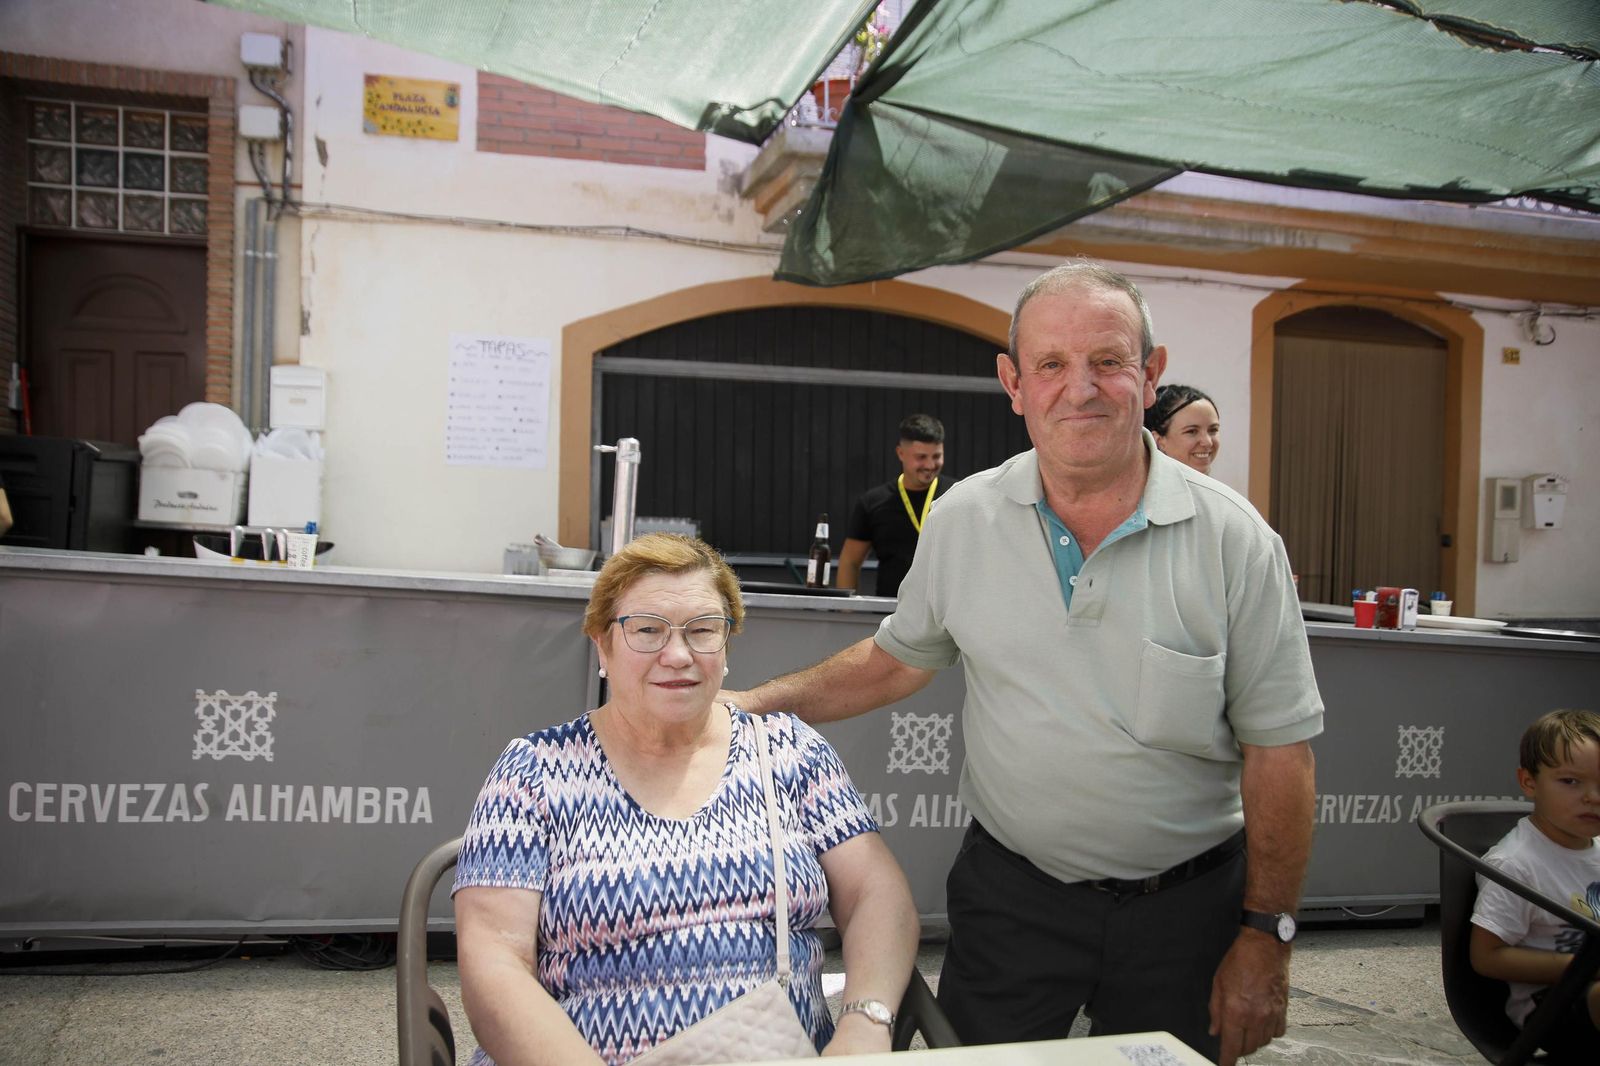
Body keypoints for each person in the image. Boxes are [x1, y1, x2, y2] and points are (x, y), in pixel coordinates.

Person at [727, 260, 1322, 1065]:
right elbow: (895, 661)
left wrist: (1266, 938)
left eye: (1108, 361)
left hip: (1187, 911)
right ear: (1014, 383)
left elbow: (1279, 753)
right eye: (1051, 364)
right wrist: (747, 706)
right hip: (1015, 899)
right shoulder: (965, 518)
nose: (1080, 387)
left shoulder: (1235, 540)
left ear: (1150, 376)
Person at [453, 533, 919, 1066]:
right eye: (647, 631)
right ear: (602, 645)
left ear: (727, 647)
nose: (677, 655)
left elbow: (874, 895)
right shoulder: (534, 773)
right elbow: (495, 960)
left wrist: (866, 1022)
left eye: (702, 631)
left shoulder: (789, 750)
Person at [1470, 708, 1600, 1063]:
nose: (1593, 797)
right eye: (1571, 782)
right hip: (1550, 1006)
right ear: (1529, 782)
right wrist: (1582, 967)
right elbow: (1486, 957)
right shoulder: (1517, 864)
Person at [836, 414, 952, 597]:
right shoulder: (873, 503)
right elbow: (850, 561)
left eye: (937, 456)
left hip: (944, 618)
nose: (930, 465)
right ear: (900, 453)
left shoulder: (958, 496)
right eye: (921, 457)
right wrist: (846, 613)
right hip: (890, 614)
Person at [1145, 383, 1221, 476]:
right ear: (1158, 440)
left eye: (1213, 430)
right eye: (1192, 431)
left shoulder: (1219, 490)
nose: (1208, 442)